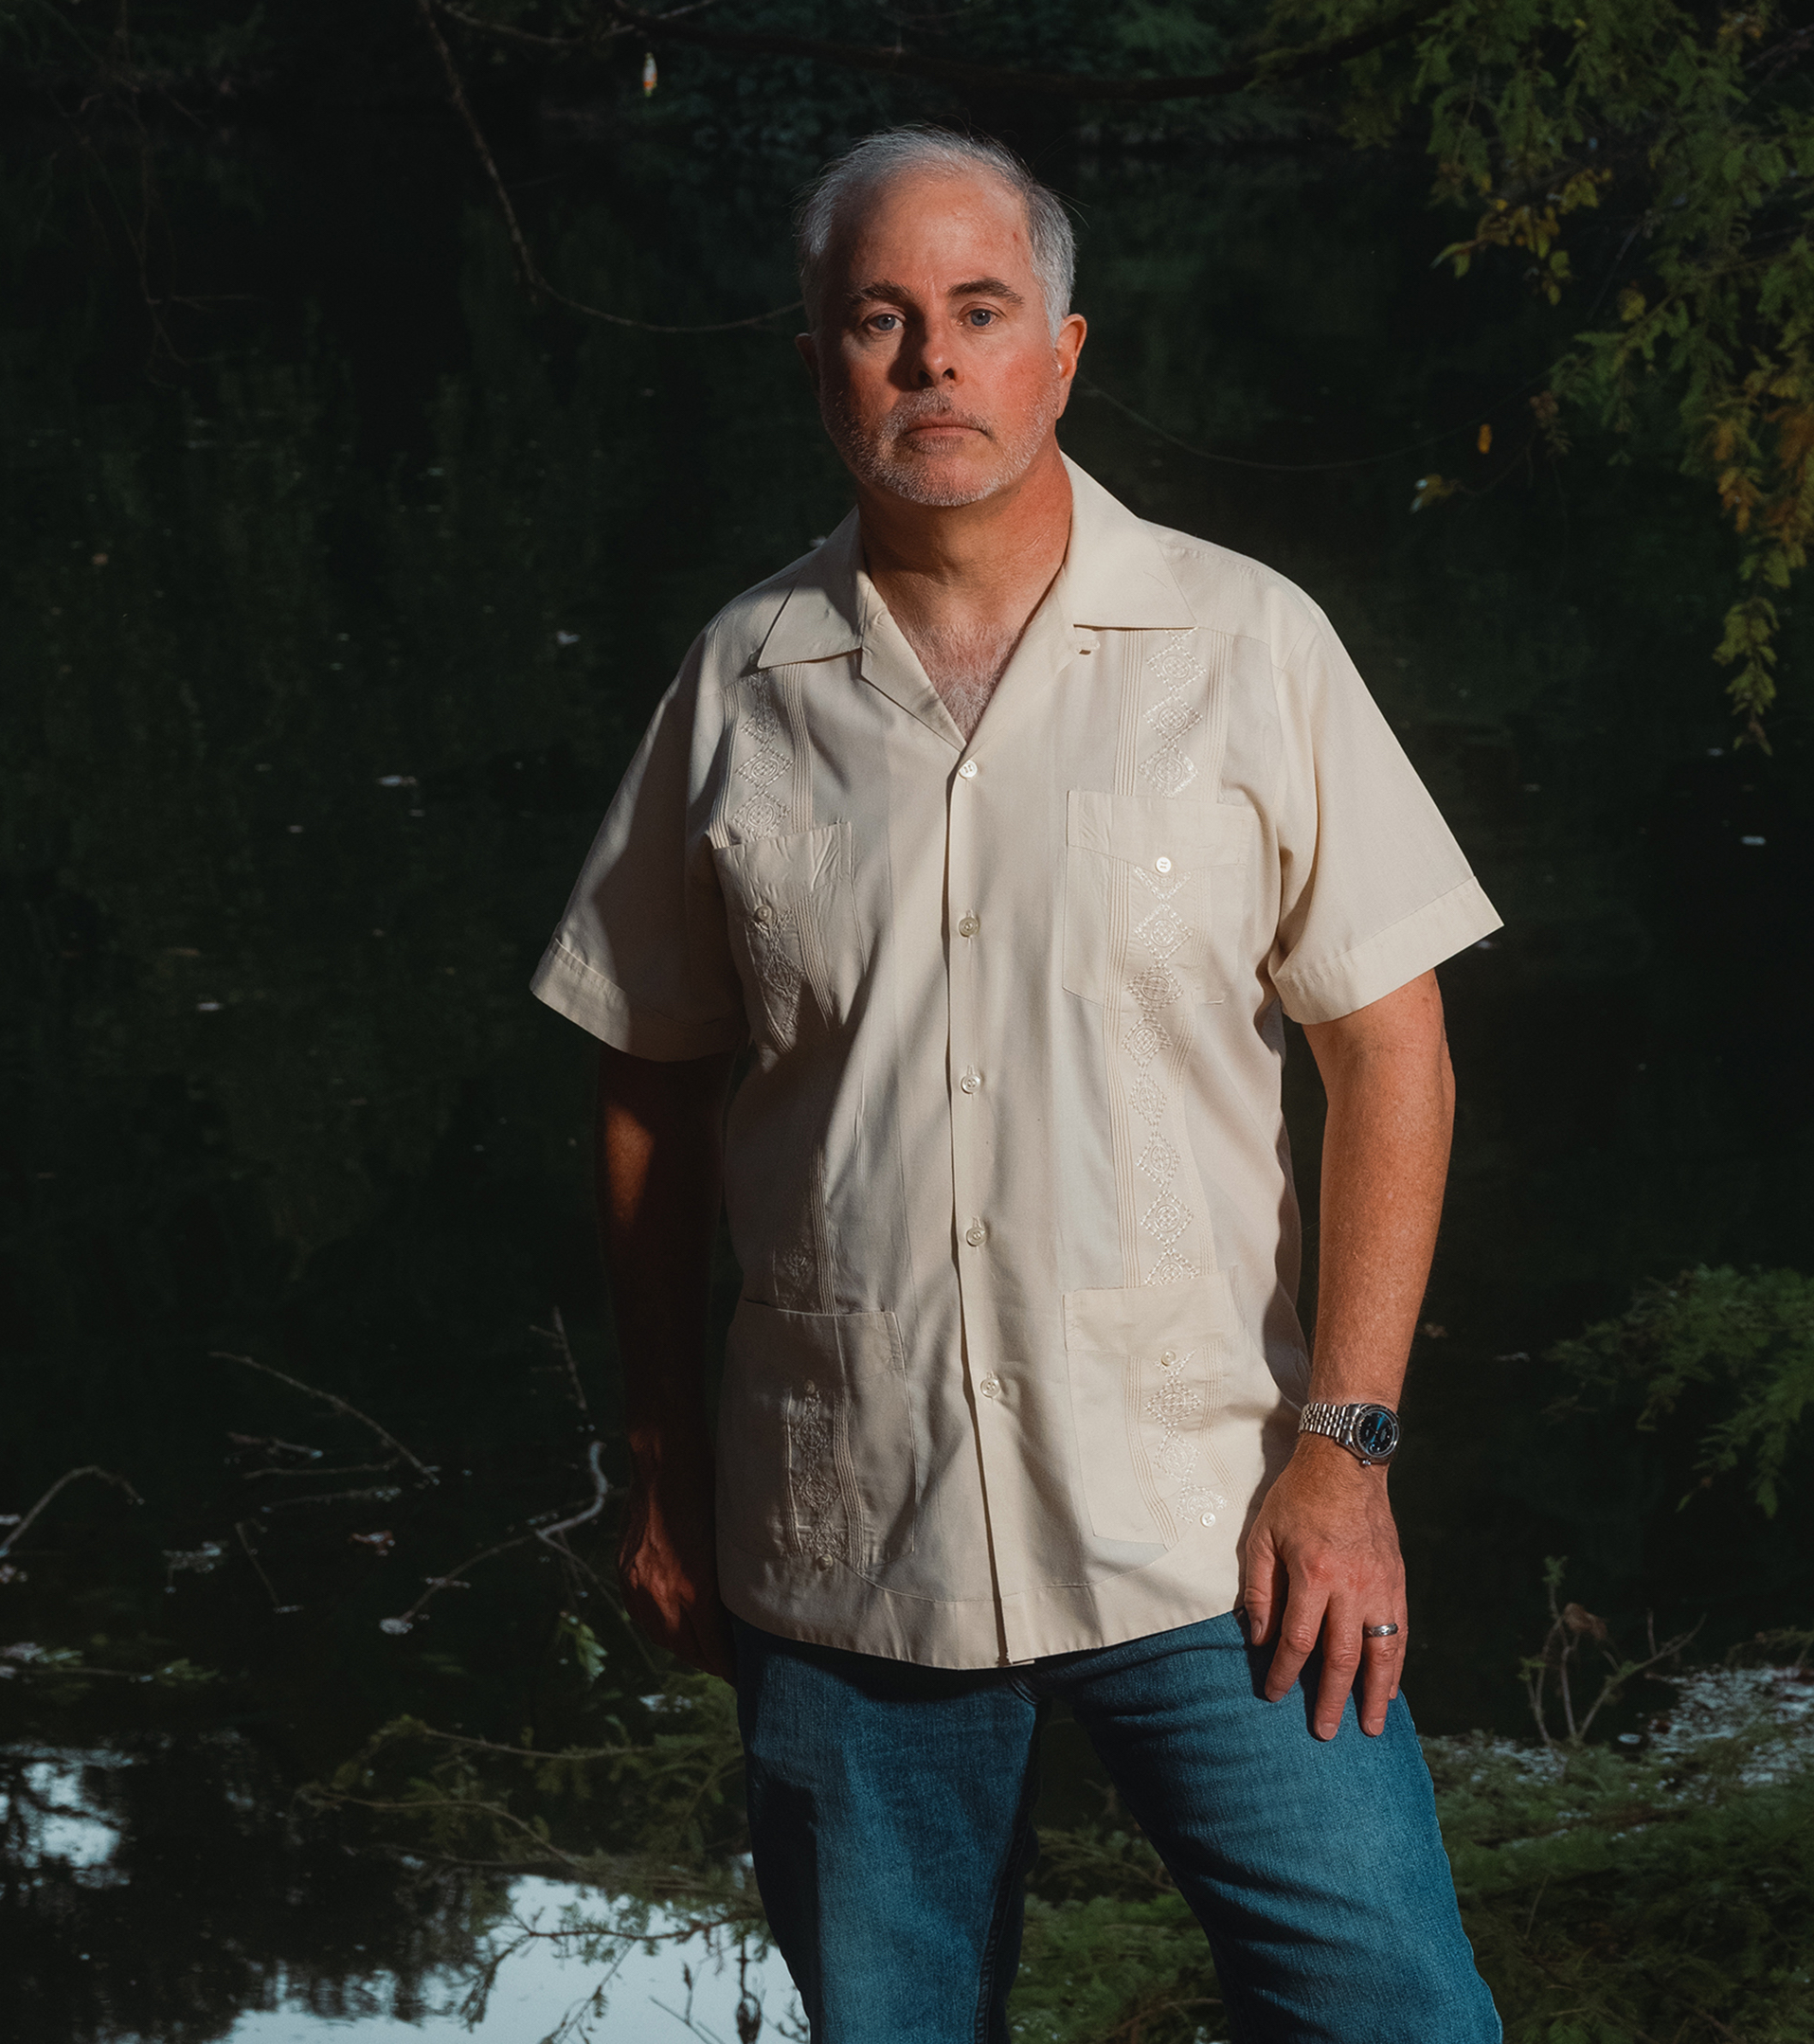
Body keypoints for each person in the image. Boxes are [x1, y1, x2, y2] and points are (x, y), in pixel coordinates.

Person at [531, 125, 1504, 2044]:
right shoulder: (736, 687)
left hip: (1216, 1522)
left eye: (978, 314)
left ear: (1061, 351)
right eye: (878, 322)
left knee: (1398, 2013)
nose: (931, 364)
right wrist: (660, 1465)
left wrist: (1347, 1446)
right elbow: (647, 1087)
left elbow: (1389, 1046)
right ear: (814, 361)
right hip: (839, 1538)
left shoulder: (1245, 646)